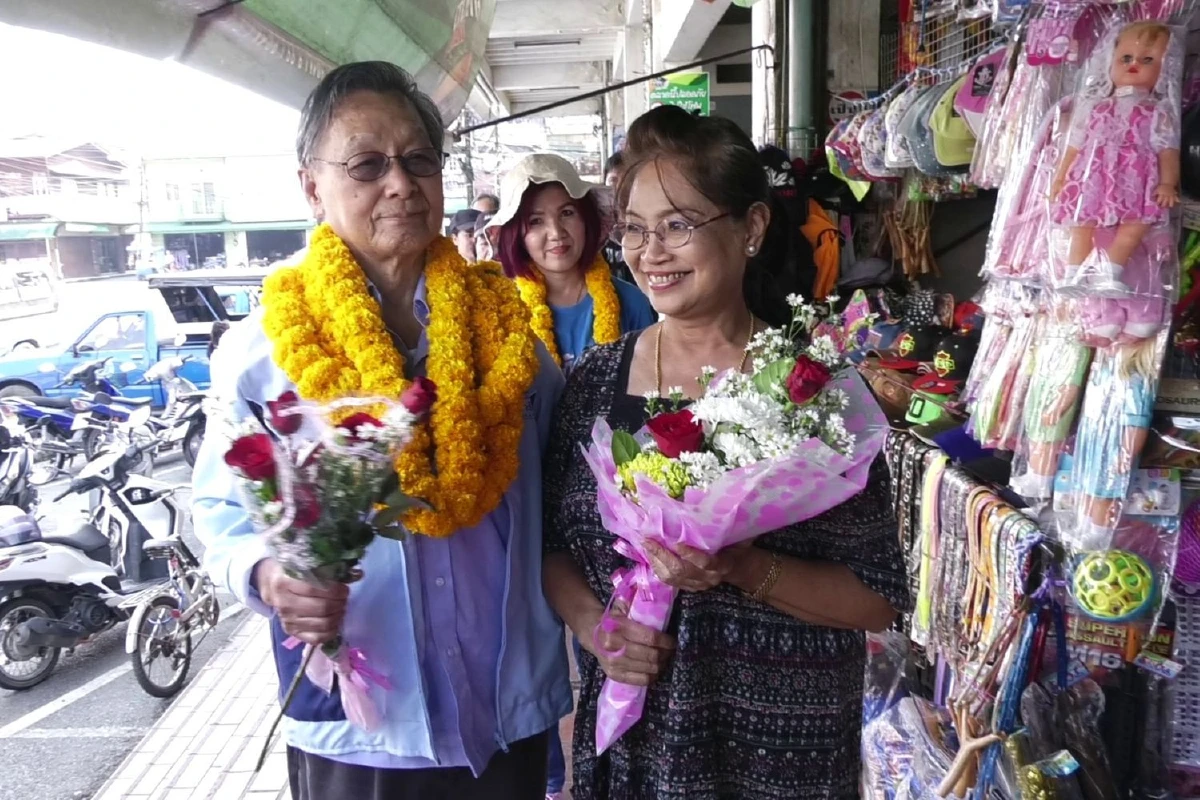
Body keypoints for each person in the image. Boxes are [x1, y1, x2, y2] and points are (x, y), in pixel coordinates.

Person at [191, 61, 571, 800]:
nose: (400, 183)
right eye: (367, 164)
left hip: (505, 712)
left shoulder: (506, 335)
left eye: (419, 160)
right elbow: (217, 512)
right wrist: (269, 577)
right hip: (359, 721)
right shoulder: (264, 351)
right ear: (311, 185)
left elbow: (562, 487)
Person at [541, 105, 909, 799]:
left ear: (752, 228)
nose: (650, 253)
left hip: (782, 753)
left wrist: (742, 564)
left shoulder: (815, 389)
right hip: (639, 745)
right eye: (636, 230)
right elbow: (551, 547)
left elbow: (877, 601)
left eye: (678, 225)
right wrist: (599, 633)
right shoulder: (594, 384)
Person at [492, 153, 656, 376]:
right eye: (535, 221)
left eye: (567, 213)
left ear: (586, 220)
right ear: (516, 234)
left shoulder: (631, 302)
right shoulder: (500, 311)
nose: (556, 233)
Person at [601, 152, 636, 284]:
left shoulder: (643, 220)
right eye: (613, 181)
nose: (618, 188)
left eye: (626, 182)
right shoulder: (595, 223)